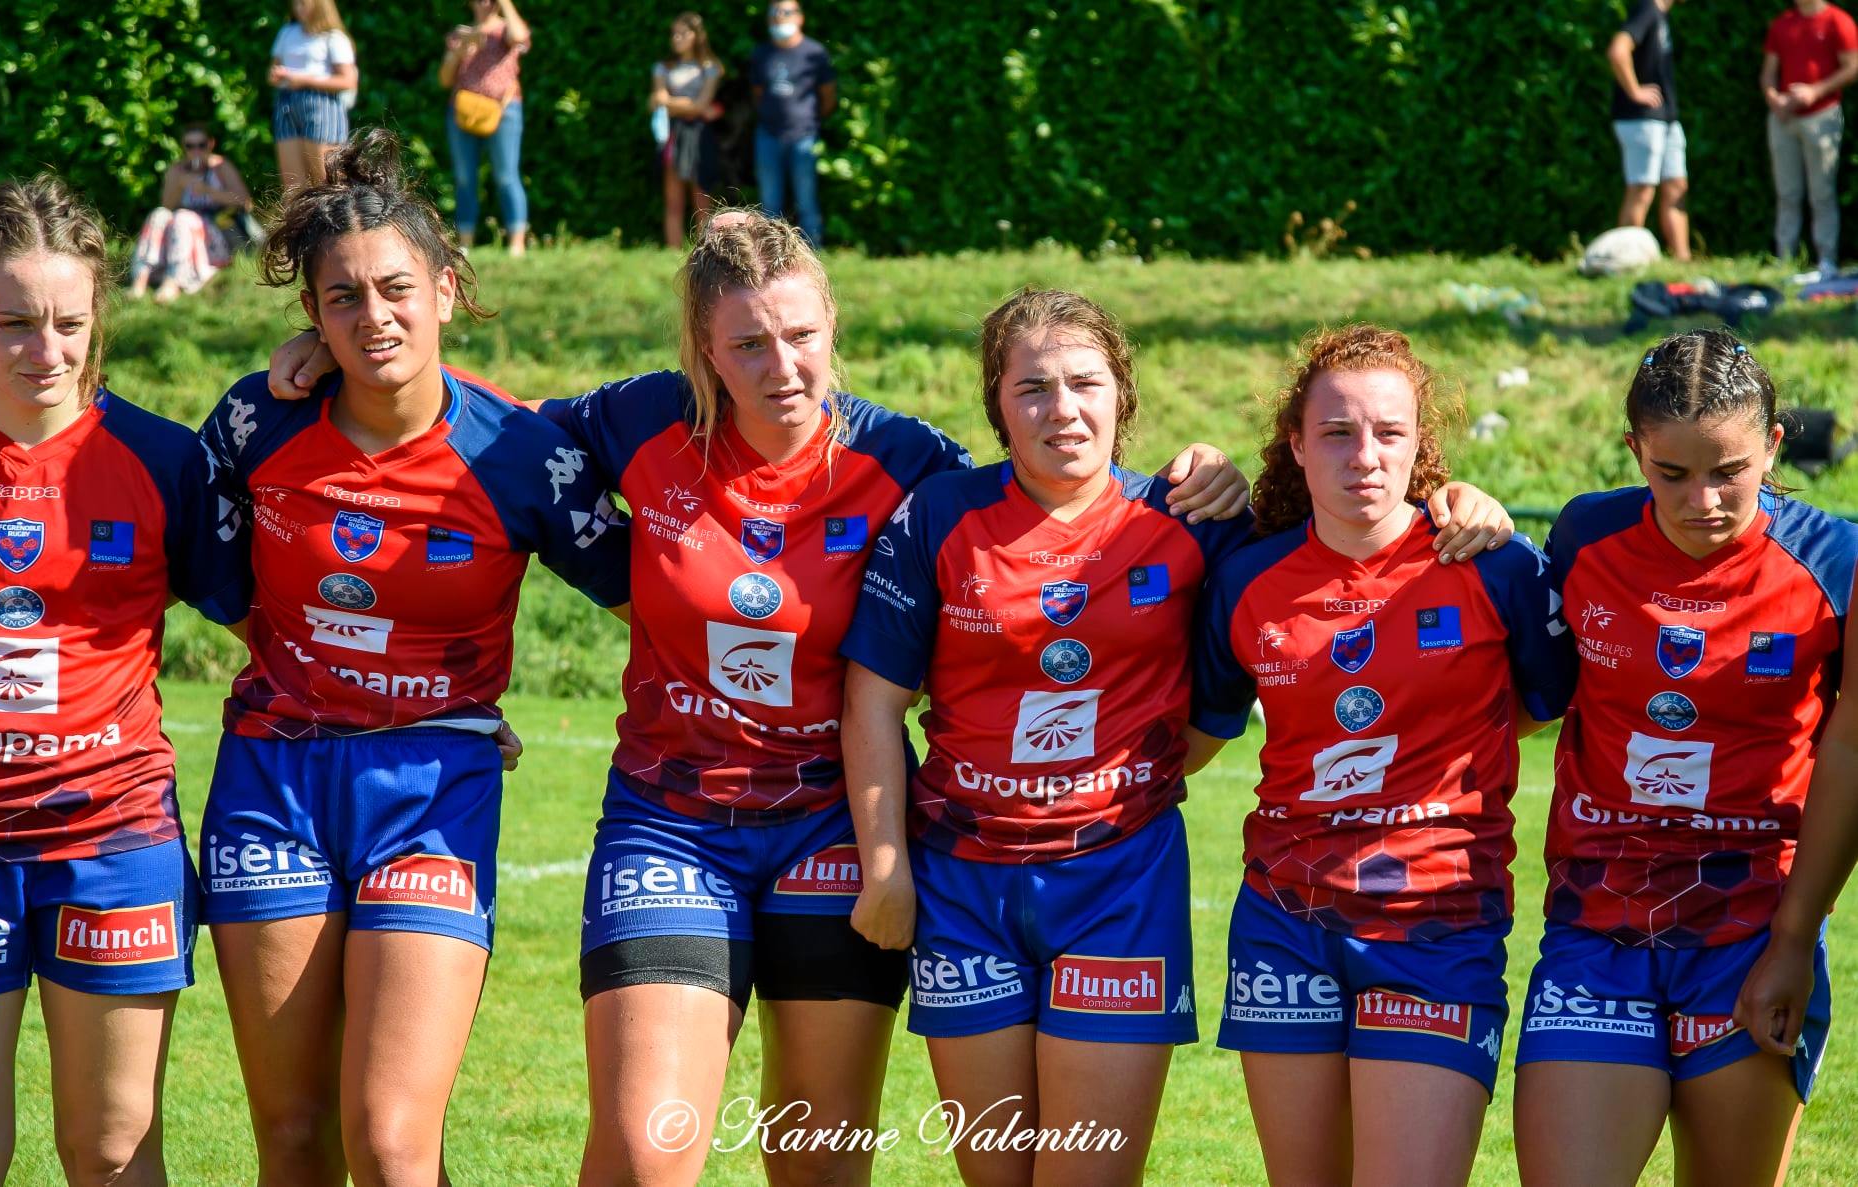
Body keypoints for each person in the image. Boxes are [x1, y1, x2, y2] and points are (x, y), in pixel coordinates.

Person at [259, 210, 1512, 1185]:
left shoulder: (908, 462)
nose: (779, 363)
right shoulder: (640, 423)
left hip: (836, 833)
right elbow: (473, 431)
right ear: (704, 347)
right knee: (648, 1147)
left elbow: (1106, 546)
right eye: (747, 342)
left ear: (833, 325)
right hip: (670, 820)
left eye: (799, 334)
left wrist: (1224, 485)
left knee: (819, 1153)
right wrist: (340, 359)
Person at [196, 127, 630, 1186]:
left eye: (395, 288)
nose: (373, 315)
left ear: (444, 287)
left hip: (434, 789)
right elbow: (169, 569)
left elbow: (659, 596)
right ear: (311, 313)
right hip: (274, 778)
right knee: (294, 1139)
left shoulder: (518, 451)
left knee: (393, 1140)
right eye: (342, 297)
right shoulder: (257, 422)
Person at [836, 289, 1256, 1185]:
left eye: (1083, 383)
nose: (1060, 409)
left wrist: (1127, 787)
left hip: (1120, 885)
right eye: (1031, 388)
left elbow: (1228, 691)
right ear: (996, 404)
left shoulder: (1186, 522)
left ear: (1121, 396)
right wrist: (886, 866)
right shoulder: (939, 515)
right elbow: (872, 701)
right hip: (960, 883)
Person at [0, 176, 249, 1185]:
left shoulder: (164, 458)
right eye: (12, 324)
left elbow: (275, 623)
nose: (44, 351)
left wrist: (436, 711)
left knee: (111, 1152)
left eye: (68, 323)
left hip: (114, 838)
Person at [1190, 325, 1573, 1186]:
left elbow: (1545, 707)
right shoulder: (1245, 579)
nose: (1363, 455)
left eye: (1388, 433)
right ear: (1296, 443)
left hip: (1436, 924)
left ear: (1419, 445)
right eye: (1336, 432)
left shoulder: (1496, 566)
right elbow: (1194, 736)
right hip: (1284, 924)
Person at [1515, 329, 1858, 1187]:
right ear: (1634, 448)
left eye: (1728, 471)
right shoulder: (1585, 535)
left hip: (1752, 930)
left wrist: (1791, 937)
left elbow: (1849, 748)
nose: (1701, 499)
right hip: (1596, 926)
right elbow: (1531, 697)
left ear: (1774, 445)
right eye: (1671, 473)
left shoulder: (1833, 560)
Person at [1762, 0, 1858, 278]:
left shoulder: (1838, 21)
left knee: (1822, 193)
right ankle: (1786, 259)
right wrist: (1774, 100)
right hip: (1784, 119)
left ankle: (1826, 261)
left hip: (1822, 116)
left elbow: (1852, 66)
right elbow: (1768, 74)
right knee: (1787, 192)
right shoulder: (1783, 23)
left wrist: (1816, 91)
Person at [441, 0, 532, 257]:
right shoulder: (461, 34)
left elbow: (520, 36)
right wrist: (460, 50)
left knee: (506, 175)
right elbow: (445, 79)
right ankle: (465, 242)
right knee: (464, 177)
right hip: (463, 111)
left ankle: (517, 243)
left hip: (504, 111)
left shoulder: (504, 30)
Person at [129, 122, 255, 302]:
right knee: (158, 215)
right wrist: (180, 186)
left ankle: (173, 282)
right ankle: (140, 280)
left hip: (215, 231)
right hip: (182, 231)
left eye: (201, 145)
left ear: (210, 144)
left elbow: (245, 202)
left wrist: (209, 191)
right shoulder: (178, 170)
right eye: (190, 146)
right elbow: (167, 205)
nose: (196, 150)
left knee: (183, 218)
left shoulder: (220, 167)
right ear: (184, 148)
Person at [1608, 0, 1691, 262]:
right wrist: (1634, 91)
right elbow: (1618, 50)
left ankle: (1682, 260)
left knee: (1677, 186)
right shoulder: (1646, 9)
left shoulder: (1660, 15)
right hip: (1642, 119)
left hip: (1666, 119)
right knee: (1642, 189)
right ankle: (1625, 261)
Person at [750, 3, 834, 246]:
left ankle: (813, 255)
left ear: (800, 17)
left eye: (786, 12)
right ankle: (768, 257)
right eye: (774, 13)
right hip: (768, 134)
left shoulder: (814, 52)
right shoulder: (761, 54)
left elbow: (827, 95)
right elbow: (758, 93)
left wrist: (810, 119)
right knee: (769, 204)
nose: (779, 18)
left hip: (804, 135)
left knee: (806, 200)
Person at [652, 12, 724, 249]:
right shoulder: (664, 67)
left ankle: (706, 253)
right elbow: (657, 99)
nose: (676, 38)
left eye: (682, 33)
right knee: (673, 200)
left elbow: (701, 104)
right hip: (675, 136)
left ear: (696, 35)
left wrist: (673, 103)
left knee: (702, 200)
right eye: (674, 34)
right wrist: (691, 106)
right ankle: (672, 253)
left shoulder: (711, 67)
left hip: (701, 137)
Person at [271, 0, 359, 193]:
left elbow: (348, 81)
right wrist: (278, 76)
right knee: (293, 186)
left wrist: (304, 80)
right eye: (295, 4)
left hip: (322, 105)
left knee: (327, 180)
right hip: (287, 102)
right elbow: (274, 69)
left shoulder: (333, 38)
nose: (298, 8)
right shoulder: (288, 32)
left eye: (303, 3)